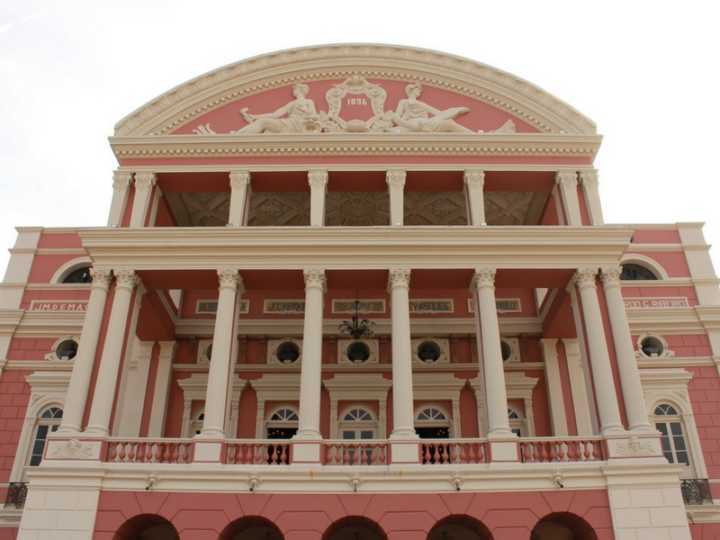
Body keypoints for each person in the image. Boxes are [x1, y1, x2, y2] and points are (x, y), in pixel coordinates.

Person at [234, 83, 320, 134]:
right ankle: (239, 135)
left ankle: (239, 135)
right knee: (262, 121)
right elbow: (275, 114)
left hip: (298, 125)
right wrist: (256, 116)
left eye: (295, 89)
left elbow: (315, 117)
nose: (294, 91)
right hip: (288, 124)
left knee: (263, 122)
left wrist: (307, 112)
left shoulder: (309, 101)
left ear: (300, 90)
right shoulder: (292, 103)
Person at [391, 83, 473, 133]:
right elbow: (396, 116)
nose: (419, 92)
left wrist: (455, 110)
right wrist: (404, 123)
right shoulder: (404, 102)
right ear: (412, 90)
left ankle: (473, 135)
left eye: (419, 91)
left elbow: (437, 113)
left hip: (427, 123)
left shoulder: (422, 104)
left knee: (449, 122)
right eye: (418, 90)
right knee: (448, 123)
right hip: (414, 124)